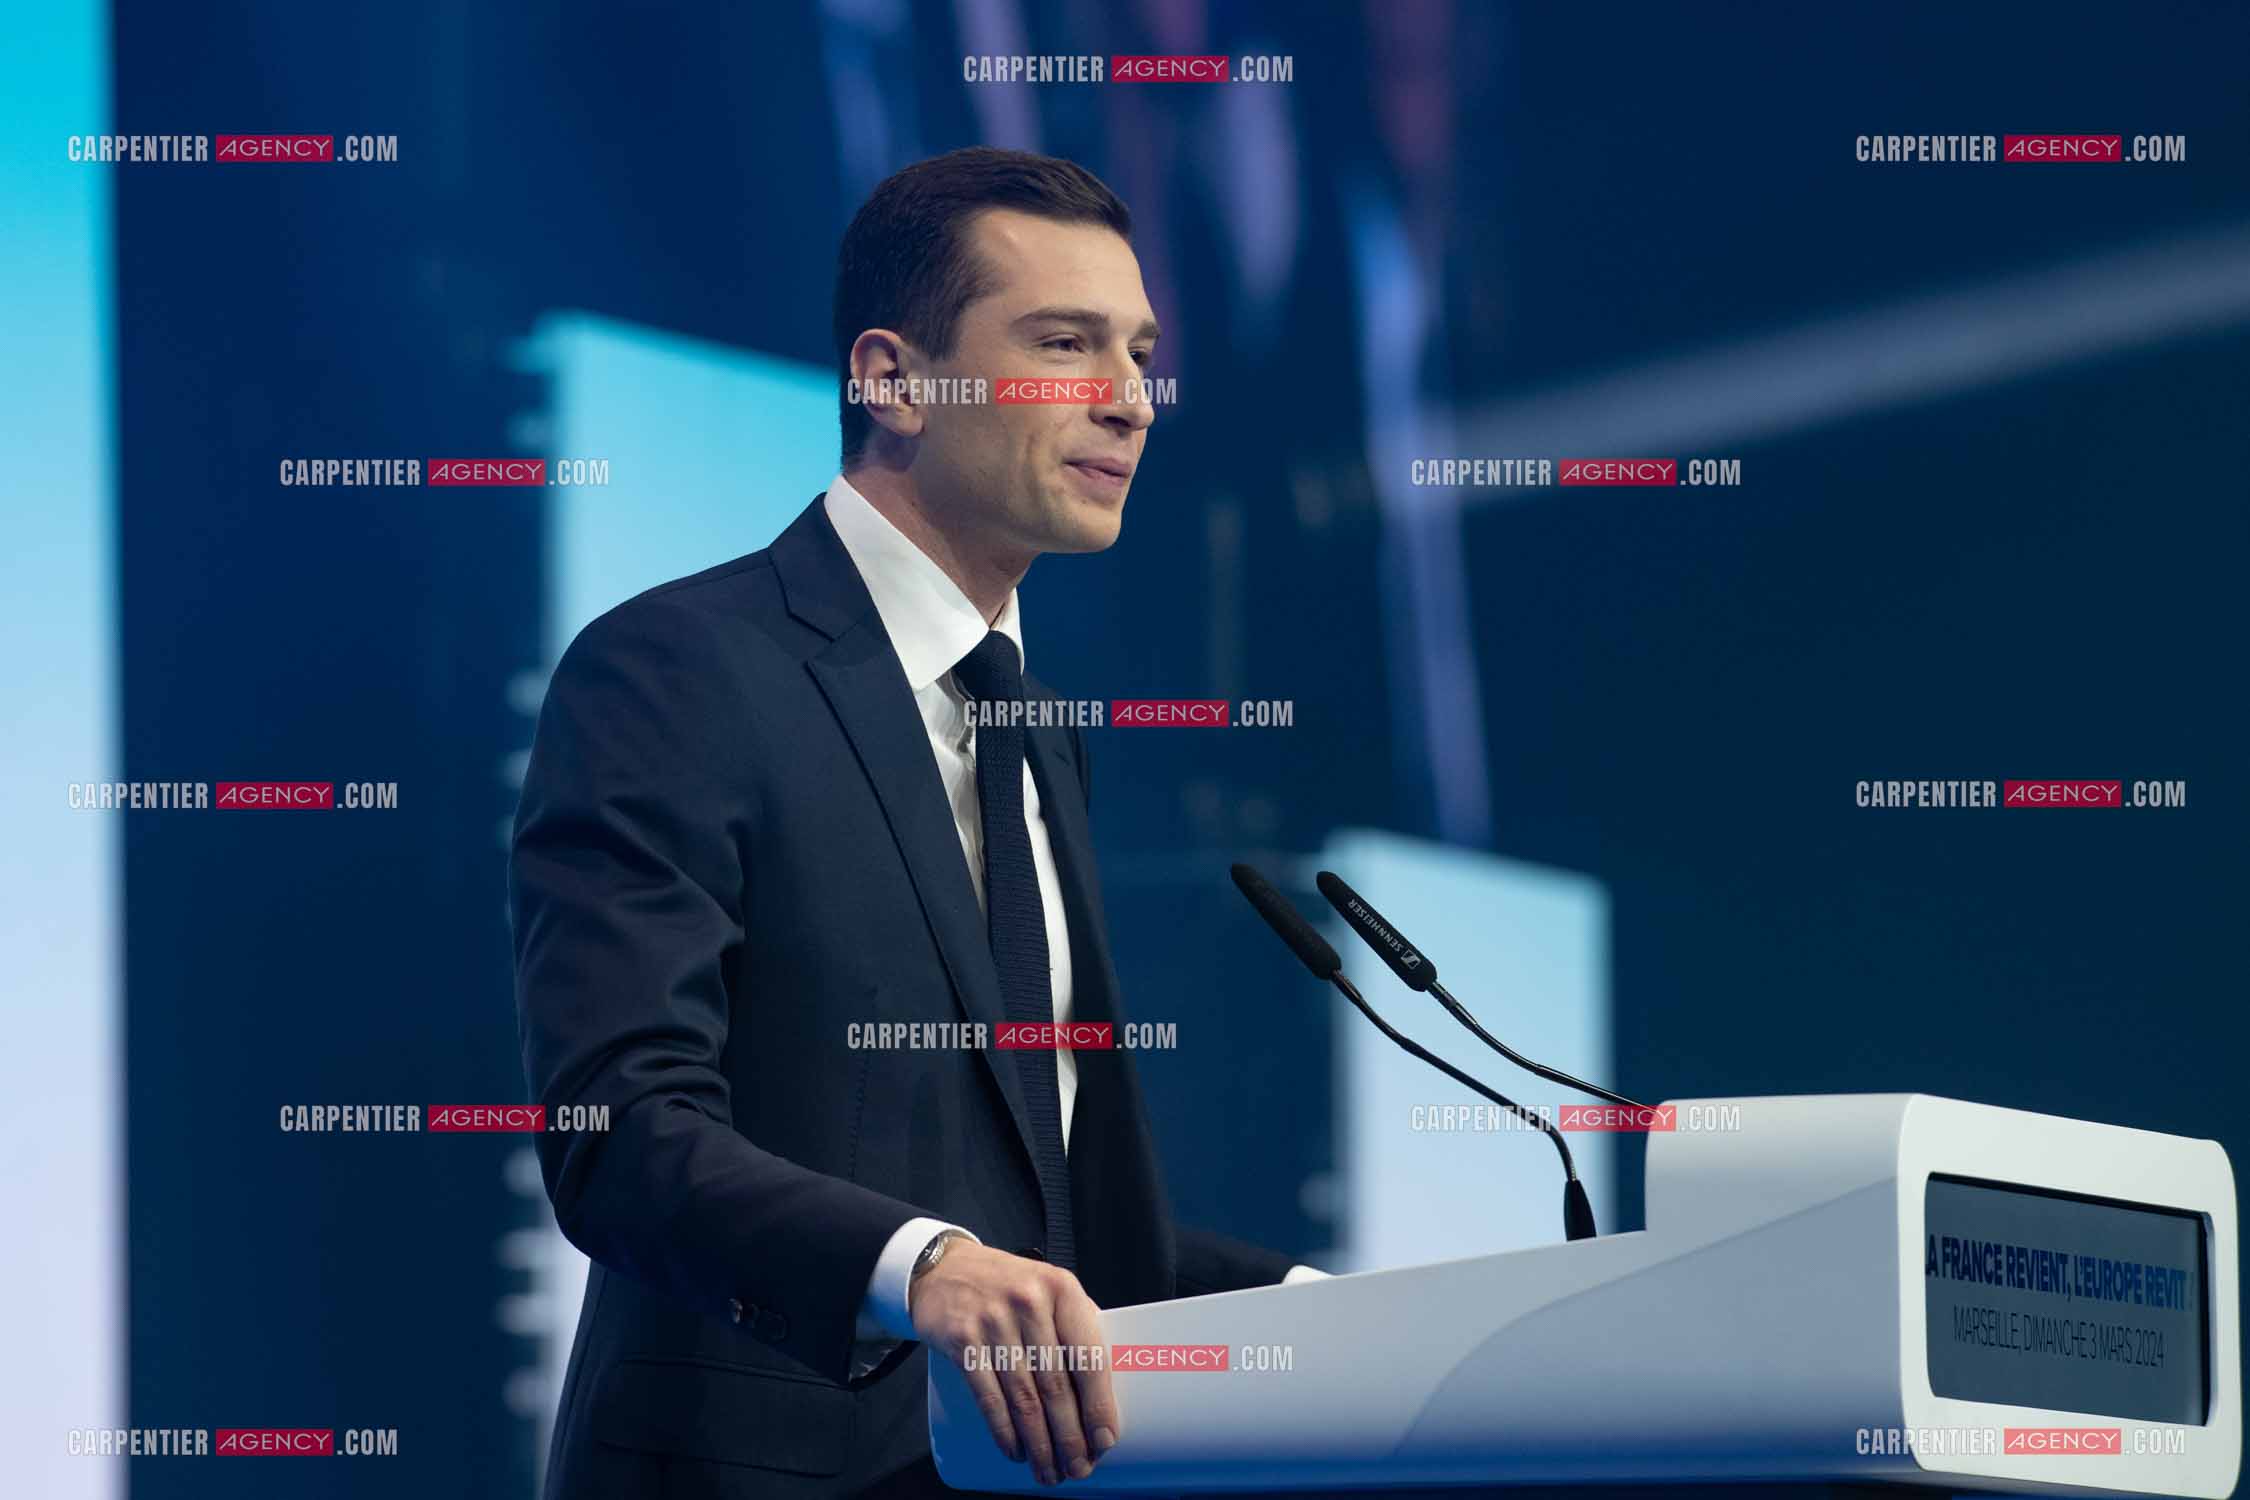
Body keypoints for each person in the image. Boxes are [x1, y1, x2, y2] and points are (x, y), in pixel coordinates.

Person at [512, 145, 1320, 1500]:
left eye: (1138, 352)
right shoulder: (679, 669)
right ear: (891, 379)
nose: (1130, 401)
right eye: (1065, 343)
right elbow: (622, 1131)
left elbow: (1054, 1227)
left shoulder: (1036, 727)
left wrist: (1312, 1306)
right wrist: (922, 1270)